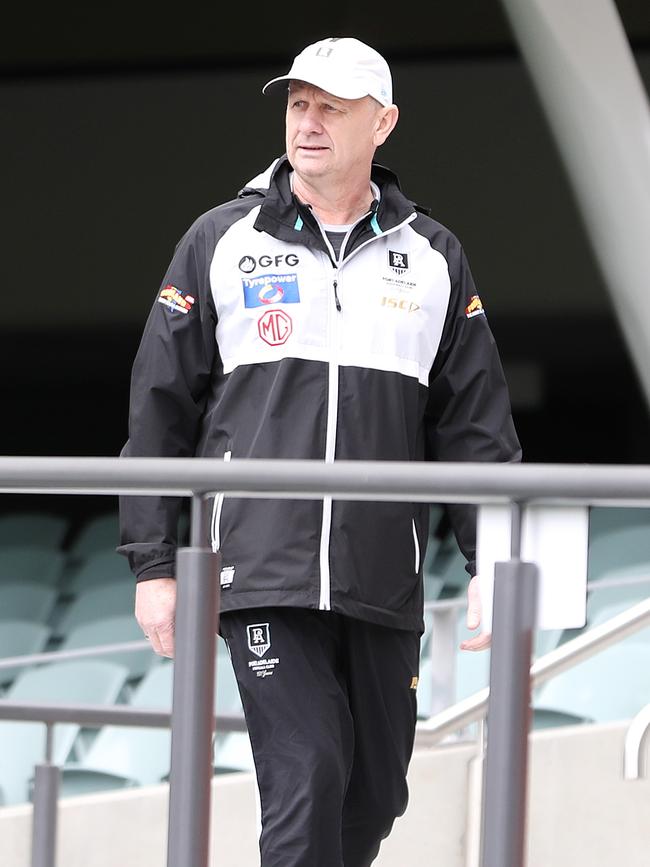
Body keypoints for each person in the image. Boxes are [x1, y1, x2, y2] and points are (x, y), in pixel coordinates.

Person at [118, 35, 521, 867]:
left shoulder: (435, 256)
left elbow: (475, 427)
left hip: (383, 571)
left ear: (384, 123)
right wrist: (154, 562)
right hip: (261, 568)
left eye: (331, 107)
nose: (307, 121)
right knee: (308, 770)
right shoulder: (219, 239)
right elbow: (159, 407)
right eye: (299, 103)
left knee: (374, 794)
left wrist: (496, 560)